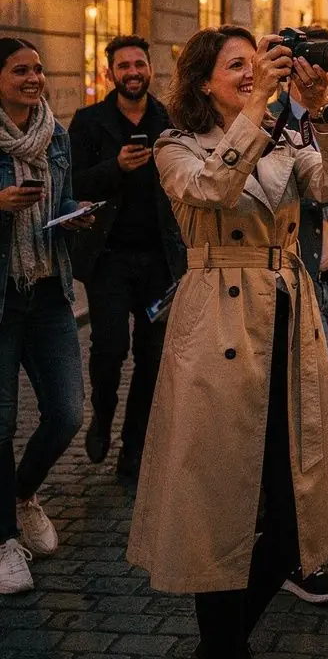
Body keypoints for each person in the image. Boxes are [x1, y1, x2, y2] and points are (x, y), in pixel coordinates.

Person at [127, 26, 328, 659]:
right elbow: (210, 191)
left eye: (256, 64)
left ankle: (224, 646)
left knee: (290, 515)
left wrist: (324, 112)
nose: (253, 73)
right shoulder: (177, 145)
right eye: (238, 66)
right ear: (206, 82)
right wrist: (264, 109)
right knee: (218, 514)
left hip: (287, 324)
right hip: (217, 328)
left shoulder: (281, 134)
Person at [269, 28, 328, 605]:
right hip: (288, 277)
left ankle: (296, 547)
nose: (321, 70)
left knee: (312, 411)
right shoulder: (269, 115)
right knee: (293, 415)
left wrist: (325, 110)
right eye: (312, 58)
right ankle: (287, 550)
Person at [68, 36, 186, 481]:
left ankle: (133, 446)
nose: (132, 72)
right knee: (109, 349)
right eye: (123, 66)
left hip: (161, 260)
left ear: (150, 68)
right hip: (109, 258)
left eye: (139, 63)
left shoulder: (170, 120)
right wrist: (116, 166)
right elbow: (76, 185)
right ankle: (103, 414)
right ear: (110, 73)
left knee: (153, 357)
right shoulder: (88, 121)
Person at [0, 38, 94, 595]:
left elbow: (59, 198)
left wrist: (73, 214)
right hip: (2, 297)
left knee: (65, 413)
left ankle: (21, 493)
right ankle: (5, 539)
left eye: (37, 69)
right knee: (1, 424)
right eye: (20, 70)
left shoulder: (53, 132)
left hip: (48, 288)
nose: (34, 78)